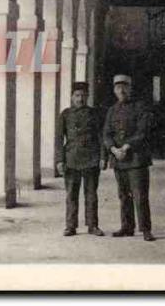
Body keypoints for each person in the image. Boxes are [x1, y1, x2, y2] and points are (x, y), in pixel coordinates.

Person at [103, 74, 156, 241]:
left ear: (130, 89)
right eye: (118, 88)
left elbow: (143, 132)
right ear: (114, 91)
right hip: (119, 159)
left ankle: (146, 229)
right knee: (123, 195)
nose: (122, 90)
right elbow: (106, 133)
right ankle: (127, 227)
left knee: (140, 195)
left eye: (125, 87)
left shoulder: (140, 108)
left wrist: (126, 146)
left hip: (136, 159)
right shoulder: (112, 110)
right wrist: (113, 149)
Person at [55, 81, 107, 237]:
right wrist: (59, 160)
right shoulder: (65, 114)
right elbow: (59, 139)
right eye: (77, 95)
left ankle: (93, 225)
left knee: (91, 194)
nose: (80, 99)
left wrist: (103, 157)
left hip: (91, 158)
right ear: (72, 97)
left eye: (84, 96)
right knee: (71, 194)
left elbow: (101, 136)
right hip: (71, 158)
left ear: (88, 96)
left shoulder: (95, 114)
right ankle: (70, 226)